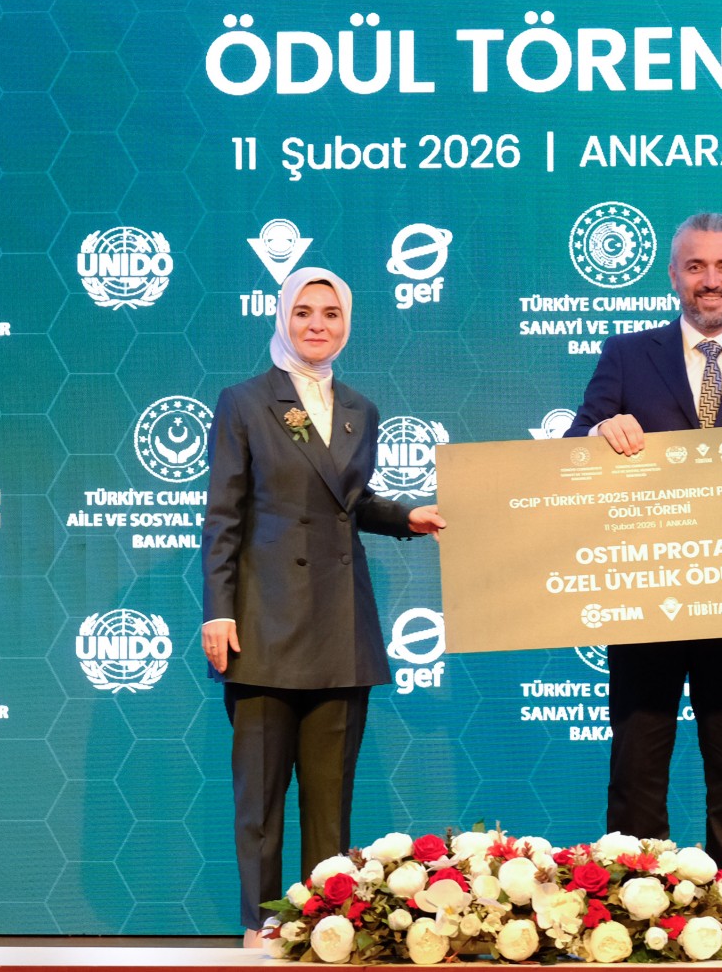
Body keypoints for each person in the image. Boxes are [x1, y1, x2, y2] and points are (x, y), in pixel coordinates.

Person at [569, 211, 722, 950]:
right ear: (673, 274)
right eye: (697, 266)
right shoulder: (626, 354)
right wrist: (598, 433)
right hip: (645, 594)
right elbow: (572, 447)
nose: (711, 279)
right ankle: (632, 915)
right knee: (637, 758)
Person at [200, 266, 444, 940]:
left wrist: (404, 516)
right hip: (264, 624)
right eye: (304, 311)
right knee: (260, 798)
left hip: (340, 623)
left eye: (331, 313)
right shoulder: (246, 401)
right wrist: (218, 609)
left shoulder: (361, 408)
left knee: (330, 799)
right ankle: (260, 928)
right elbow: (223, 515)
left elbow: (348, 501)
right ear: (283, 317)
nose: (317, 324)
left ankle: (322, 929)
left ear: (347, 324)